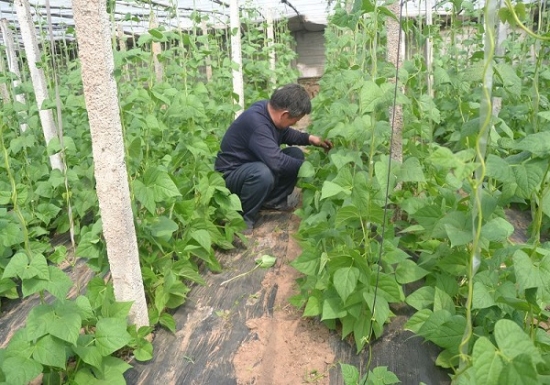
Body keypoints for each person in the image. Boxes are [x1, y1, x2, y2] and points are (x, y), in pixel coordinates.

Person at [215, 83, 333, 234]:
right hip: (230, 177)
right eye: (295, 120)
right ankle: (242, 219)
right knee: (263, 173)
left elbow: (285, 133)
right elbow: (277, 163)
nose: (295, 123)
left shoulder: (268, 110)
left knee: (295, 154)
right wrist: (309, 168)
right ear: (284, 114)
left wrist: (310, 139)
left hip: (249, 168)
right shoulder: (257, 123)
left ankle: (272, 201)